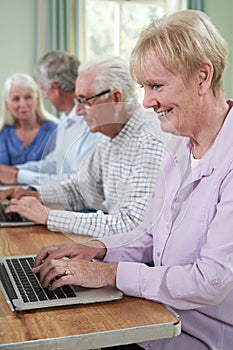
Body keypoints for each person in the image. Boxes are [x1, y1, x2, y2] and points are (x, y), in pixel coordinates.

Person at [20, 9, 233, 350]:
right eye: (144, 87)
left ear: (202, 77)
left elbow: (211, 280)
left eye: (157, 86)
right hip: (159, 315)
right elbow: (149, 232)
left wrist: (110, 272)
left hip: (204, 337)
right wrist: (96, 250)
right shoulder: (179, 144)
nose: (147, 102)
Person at [1, 56, 166, 238]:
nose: (78, 111)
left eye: (84, 101)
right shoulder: (110, 138)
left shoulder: (149, 142)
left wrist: (49, 216)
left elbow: (132, 225)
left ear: (116, 98)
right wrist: (34, 194)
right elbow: (79, 189)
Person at [0, 51, 102, 185]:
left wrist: (19, 175)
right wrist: (14, 171)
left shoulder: (90, 124)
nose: (46, 97)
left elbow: (78, 183)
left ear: (55, 88)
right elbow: (54, 164)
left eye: (44, 90)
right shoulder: (64, 120)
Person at [0, 73, 58, 166]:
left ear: (37, 99)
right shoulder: (3, 132)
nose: (23, 104)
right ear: (7, 104)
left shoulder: (54, 131)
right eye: (16, 99)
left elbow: (54, 169)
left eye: (28, 97)